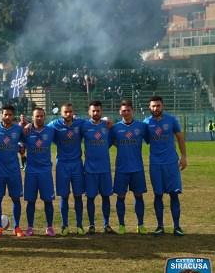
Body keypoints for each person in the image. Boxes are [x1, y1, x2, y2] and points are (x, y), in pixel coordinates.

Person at [144, 96, 187, 236]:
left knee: (174, 194)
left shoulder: (171, 120)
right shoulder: (146, 123)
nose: (156, 108)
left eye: (158, 106)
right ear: (149, 108)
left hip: (171, 163)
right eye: (153, 106)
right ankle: (160, 226)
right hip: (155, 164)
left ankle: (177, 227)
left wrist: (184, 157)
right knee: (158, 195)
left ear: (162, 106)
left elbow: (180, 137)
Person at [47, 103, 86, 236]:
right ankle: (64, 225)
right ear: (61, 113)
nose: (68, 114)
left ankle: (80, 225)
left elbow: (94, 124)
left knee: (78, 196)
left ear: (73, 112)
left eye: (70, 112)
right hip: (62, 164)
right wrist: (29, 125)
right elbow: (39, 129)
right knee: (64, 196)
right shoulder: (54, 125)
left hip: (77, 164)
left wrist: (106, 121)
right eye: (65, 112)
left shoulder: (80, 123)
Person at [111, 100, 148, 235]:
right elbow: (110, 142)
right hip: (121, 168)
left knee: (139, 196)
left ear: (133, 111)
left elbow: (151, 139)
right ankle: (121, 225)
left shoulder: (142, 126)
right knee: (120, 197)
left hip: (137, 168)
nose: (126, 113)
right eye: (123, 110)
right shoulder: (115, 128)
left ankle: (140, 224)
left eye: (128, 110)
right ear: (120, 112)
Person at [0, 105, 25, 237]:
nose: (8, 117)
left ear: (13, 116)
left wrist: (21, 147)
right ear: (1, 116)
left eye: (10, 115)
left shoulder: (18, 129)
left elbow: (25, 141)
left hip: (14, 171)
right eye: (5, 114)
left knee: (16, 199)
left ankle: (17, 227)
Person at [81, 101, 114, 234]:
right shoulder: (84, 126)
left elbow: (111, 142)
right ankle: (91, 225)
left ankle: (107, 224)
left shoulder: (107, 126)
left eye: (98, 111)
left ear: (101, 112)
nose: (96, 113)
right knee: (90, 197)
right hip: (90, 169)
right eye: (93, 111)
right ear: (89, 112)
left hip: (105, 168)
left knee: (106, 197)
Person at [22, 108, 56, 237]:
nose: (39, 118)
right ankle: (30, 227)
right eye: (37, 116)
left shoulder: (51, 130)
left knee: (48, 200)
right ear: (33, 117)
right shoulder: (26, 131)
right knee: (30, 201)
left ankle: (50, 227)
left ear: (45, 117)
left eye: (41, 116)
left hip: (45, 171)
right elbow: (20, 145)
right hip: (31, 171)